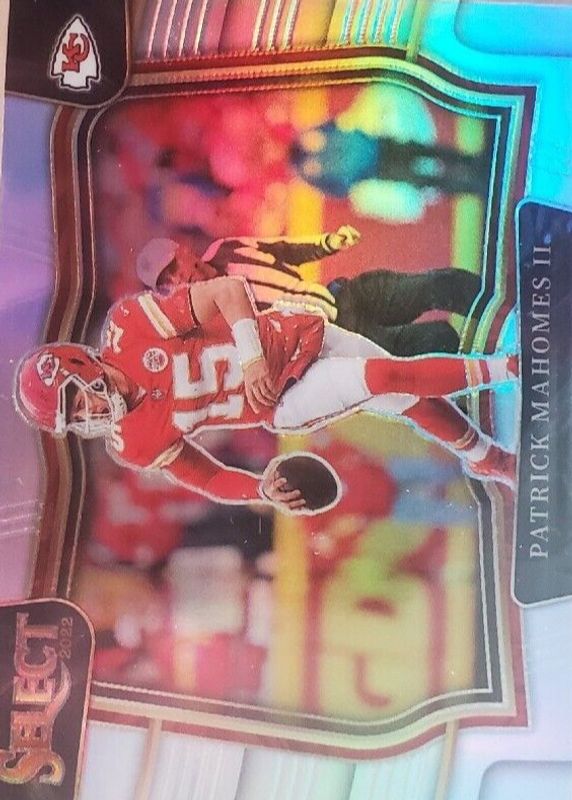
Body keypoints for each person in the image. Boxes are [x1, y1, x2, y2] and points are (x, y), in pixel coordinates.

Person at [15, 276, 517, 514]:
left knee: (409, 397)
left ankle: (488, 459)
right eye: (75, 418)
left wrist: (251, 355)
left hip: (292, 335)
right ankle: (508, 368)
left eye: (77, 400)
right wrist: (259, 490)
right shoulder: (131, 442)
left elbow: (228, 290)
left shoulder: (130, 327)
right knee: (386, 378)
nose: (88, 413)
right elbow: (206, 476)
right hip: (283, 398)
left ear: (80, 366)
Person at [136, 232, 480, 356]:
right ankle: (497, 366)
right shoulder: (209, 323)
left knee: (436, 285)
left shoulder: (225, 248)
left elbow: (281, 249)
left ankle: (502, 310)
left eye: (173, 265)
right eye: (167, 282)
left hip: (343, 295)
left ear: (183, 249)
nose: (178, 279)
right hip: (337, 337)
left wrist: (327, 243)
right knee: (438, 341)